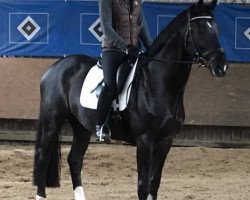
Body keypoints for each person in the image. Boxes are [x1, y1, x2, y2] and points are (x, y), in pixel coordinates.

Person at [96, 0, 153, 141]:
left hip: (133, 51)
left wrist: (152, 48)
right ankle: (100, 125)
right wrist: (124, 46)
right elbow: (106, 27)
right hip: (113, 49)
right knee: (110, 85)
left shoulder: (137, 2)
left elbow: (143, 27)